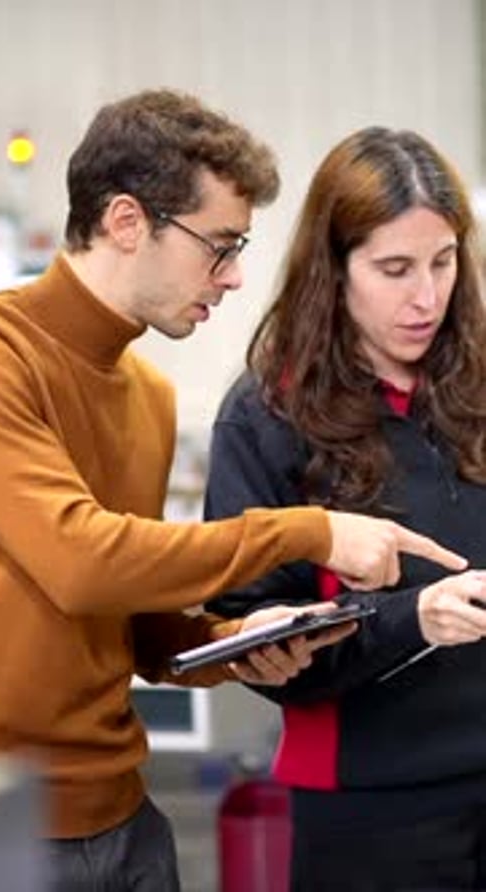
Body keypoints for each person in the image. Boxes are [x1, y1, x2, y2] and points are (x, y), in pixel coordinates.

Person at [0, 96, 462, 892]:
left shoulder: (147, 393)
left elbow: (140, 631)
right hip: (7, 825)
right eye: (219, 246)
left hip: (126, 822)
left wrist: (238, 643)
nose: (236, 275)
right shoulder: (1, 359)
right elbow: (80, 561)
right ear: (128, 222)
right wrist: (309, 533)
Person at [204, 126, 486, 891]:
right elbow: (253, 646)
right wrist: (410, 618)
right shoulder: (266, 417)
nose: (426, 296)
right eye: (394, 269)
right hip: (373, 814)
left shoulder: (475, 387)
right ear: (335, 269)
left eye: (443, 261)